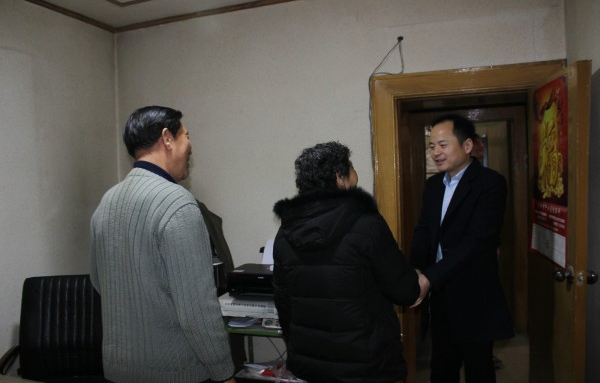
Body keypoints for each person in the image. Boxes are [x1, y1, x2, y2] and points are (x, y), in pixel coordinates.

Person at [90, 106, 236, 383]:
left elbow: (99, 281)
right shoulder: (178, 203)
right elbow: (197, 310)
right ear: (167, 138)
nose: (190, 146)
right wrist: (224, 372)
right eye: (186, 136)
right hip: (174, 371)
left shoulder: (107, 201)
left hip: (118, 369)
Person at [272, 141, 420, 383]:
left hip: (312, 367)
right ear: (340, 178)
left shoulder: (285, 233)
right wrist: (420, 280)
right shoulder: (367, 224)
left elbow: (283, 304)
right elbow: (405, 291)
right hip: (368, 366)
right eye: (351, 168)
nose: (355, 174)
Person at [410, 114, 514, 383]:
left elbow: (477, 241)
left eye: (443, 145)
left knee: (479, 369)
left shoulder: (490, 183)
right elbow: (424, 230)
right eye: (432, 146)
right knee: (442, 368)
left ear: (467, 146)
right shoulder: (433, 186)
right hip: (440, 294)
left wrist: (429, 277)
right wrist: (416, 269)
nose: (436, 152)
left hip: (474, 295)